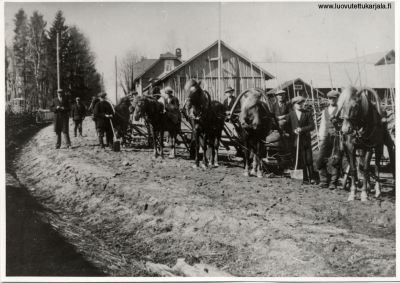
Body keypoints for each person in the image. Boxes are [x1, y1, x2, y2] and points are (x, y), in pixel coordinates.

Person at [286, 96, 316, 184]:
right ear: (294, 105)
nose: (300, 105)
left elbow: (312, 126)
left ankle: (312, 177)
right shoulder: (290, 115)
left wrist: (302, 129)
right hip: (295, 141)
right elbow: (287, 127)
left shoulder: (307, 113)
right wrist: (292, 131)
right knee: (299, 159)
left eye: (301, 103)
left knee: (308, 159)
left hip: (305, 140)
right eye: (298, 103)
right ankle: (303, 178)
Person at [316, 90, 341, 189]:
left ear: (337, 99)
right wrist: (321, 137)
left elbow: (344, 124)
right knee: (320, 159)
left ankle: (333, 182)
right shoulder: (325, 111)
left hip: (337, 136)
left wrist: (338, 124)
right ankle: (324, 180)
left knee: (335, 159)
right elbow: (322, 125)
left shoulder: (340, 110)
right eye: (330, 98)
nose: (332, 100)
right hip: (326, 136)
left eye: (334, 98)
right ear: (328, 99)